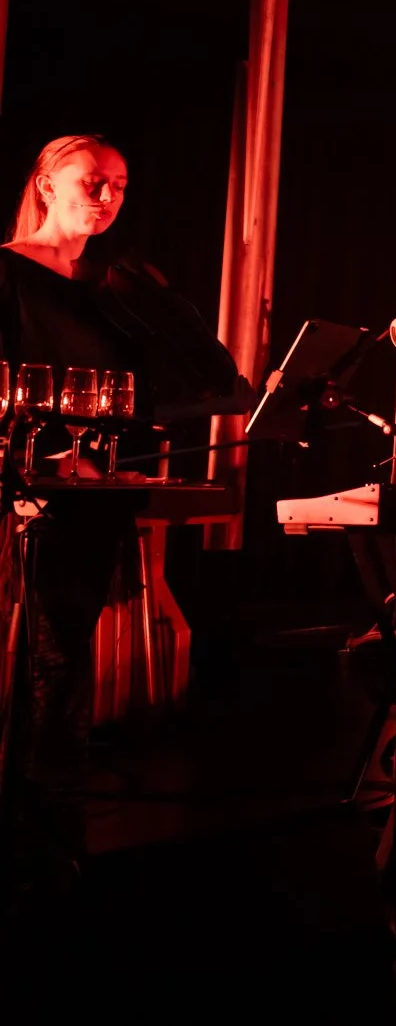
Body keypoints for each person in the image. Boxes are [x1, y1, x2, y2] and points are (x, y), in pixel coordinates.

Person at [0, 135, 238, 896]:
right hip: (17, 497)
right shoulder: (7, 273)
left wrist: (161, 303)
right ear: (45, 184)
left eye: (121, 185)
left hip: (89, 501)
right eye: (92, 181)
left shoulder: (120, 286)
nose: (107, 197)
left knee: (63, 666)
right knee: (23, 661)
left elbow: (210, 379)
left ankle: (52, 841)